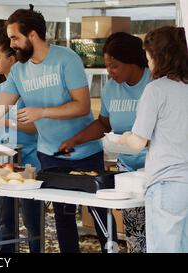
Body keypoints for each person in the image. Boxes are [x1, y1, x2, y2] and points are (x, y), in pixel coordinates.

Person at [0, 5, 117, 253]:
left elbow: (81, 106)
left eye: (15, 37)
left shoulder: (66, 59)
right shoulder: (18, 71)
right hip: (48, 153)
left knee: (100, 212)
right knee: (63, 217)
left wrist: (42, 112)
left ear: (33, 35)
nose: (12, 44)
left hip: (84, 150)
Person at [58, 32, 152, 253]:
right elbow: (104, 124)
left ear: (132, 61)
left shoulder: (154, 83)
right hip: (127, 169)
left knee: (158, 230)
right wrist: (75, 140)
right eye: (108, 66)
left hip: (155, 167)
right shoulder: (110, 88)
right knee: (135, 232)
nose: (110, 71)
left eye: (115, 66)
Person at [118, 26, 188, 253]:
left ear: (160, 57)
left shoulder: (156, 90)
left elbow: (138, 141)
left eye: (149, 58)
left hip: (166, 181)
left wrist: (124, 138)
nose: (148, 64)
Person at [0, 33, 43, 253]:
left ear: (12, 59)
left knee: (32, 222)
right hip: (3, 164)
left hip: (29, 164)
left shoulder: (29, 90)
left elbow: (35, 127)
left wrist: (7, 122)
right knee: (6, 221)